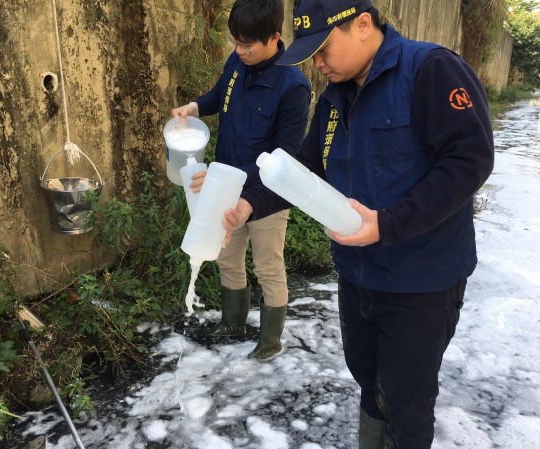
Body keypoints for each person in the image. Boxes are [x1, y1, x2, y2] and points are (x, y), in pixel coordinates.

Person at [222, 0, 495, 447]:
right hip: (357, 276)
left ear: (363, 25)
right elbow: (304, 170)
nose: (319, 63)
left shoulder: (430, 70)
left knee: (407, 402)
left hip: (421, 282)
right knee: (369, 381)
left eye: (325, 48)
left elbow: (469, 160)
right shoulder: (336, 99)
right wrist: (249, 204)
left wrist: (387, 224)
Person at [171, 0, 311, 360]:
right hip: (223, 189)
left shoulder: (293, 87)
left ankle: (269, 341)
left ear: (275, 37)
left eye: (247, 45)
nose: (239, 51)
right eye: (235, 42)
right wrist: (196, 107)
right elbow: (221, 94)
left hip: (265, 195)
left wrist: (225, 177)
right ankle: (233, 322)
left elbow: (284, 158)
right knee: (226, 256)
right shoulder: (237, 62)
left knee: (268, 266)